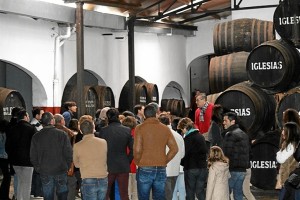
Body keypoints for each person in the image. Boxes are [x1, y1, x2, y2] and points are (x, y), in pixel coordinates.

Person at [134, 105, 178, 200]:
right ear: (156, 114)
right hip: (161, 168)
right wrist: (164, 160)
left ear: (144, 116)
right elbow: (174, 148)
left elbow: (137, 150)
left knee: (143, 197)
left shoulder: (140, 128)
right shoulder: (165, 129)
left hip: (144, 166)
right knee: (159, 197)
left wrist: (138, 162)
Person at [30, 112, 73, 200]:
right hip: (61, 169)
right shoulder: (62, 134)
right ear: (52, 121)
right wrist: (68, 166)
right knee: (62, 194)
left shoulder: (36, 136)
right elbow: (68, 152)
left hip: (45, 170)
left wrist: (38, 168)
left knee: (48, 195)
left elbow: (33, 155)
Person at [99, 108, 133, 200]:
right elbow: (132, 149)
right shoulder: (127, 130)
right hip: (123, 165)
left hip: (108, 166)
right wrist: (127, 161)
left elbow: (101, 149)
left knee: (106, 193)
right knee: (124, 194)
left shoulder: (103, 131)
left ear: (107, 117)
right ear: (118, 116)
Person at [73, 117, 108, 200]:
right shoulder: (103, 142)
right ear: (93, 129)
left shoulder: (77, 146)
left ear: (81, 131)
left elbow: (76, 164)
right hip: (103, 178)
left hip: (88, 178)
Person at [6, 110, 36, 200]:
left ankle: (19, 198)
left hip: (15, 161)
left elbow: (7, 146)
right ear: (25, 117)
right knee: (27, 184)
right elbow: (35, 145)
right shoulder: (31, 128)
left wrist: (11, 157)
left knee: (20, 182)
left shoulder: (12, 129)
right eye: (28, 116)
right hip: (28, 161)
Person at [177, 117, 207, 200]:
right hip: (202, 168)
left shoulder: (188, 139)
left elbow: (185, 155)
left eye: (182, 130)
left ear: (185, 128)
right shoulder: (201, 136)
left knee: (190, 192)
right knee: (200, 191)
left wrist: (180, 162)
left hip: (191, 168)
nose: (182, 132)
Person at [222, 112, 249, 200]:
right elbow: (249, 152)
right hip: (242, 170)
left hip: (232, 169)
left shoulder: (230, 134)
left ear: (232, 122)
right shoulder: (243, 133)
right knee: (238, 194)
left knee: (225, 193)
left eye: (225, 121)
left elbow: (226, 153)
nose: (223, 123)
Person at [158, 113, 185, 200]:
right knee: (169, 195)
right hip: (175, 170)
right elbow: (182, 154)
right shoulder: (178, 136)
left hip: (162, 170)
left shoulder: (160, 135)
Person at [53, 114, 77, 200]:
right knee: (70, 184)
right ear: (62, 121)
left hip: (54, 163)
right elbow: (71, 149)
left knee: (55, 186)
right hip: (66, 163)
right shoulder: (69, 132)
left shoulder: (50, 132)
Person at [277, 122, 300, 200]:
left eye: (284, 130)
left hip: (290, 178)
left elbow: (280, 159)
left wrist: (279, 152)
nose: (282, 132)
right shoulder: (295, 143)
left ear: (290, 131)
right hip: (292, 178)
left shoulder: (290, 145)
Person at [122, 116, 138, 200]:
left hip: (125, 165)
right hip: (136, 164)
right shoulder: (138, 133)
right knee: (135, 190)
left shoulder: (122, 133)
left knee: (126, 190)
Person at [30, 107, 44, 198]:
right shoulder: (35, 125)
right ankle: (37, 192)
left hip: (35, 152)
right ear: (37, 115)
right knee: (37, 173)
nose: (43, 116)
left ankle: (34, 191)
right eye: (42, 114)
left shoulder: (36, 123)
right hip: (37, 152)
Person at [0, 119, 11, 200]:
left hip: (1, 157)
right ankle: (4, 196)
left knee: (6, 177)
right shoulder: (5, 135)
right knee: (7, 177)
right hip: (4, 157)